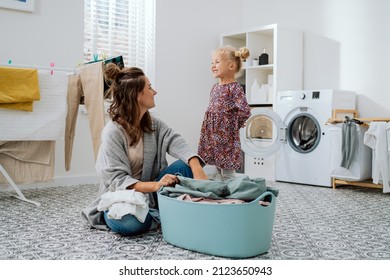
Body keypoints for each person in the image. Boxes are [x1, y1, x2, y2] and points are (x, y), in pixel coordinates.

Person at [82, 63, 208, 236]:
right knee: (127, 223)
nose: (154, 92)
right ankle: (165, 214)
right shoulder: (112, 133)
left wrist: (196, 166)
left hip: (152, 193)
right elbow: (118, 181)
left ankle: (158, 213)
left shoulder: (153, 124)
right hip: (122, 197)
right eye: (149, 87)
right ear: (136, 95)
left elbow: (174, 140)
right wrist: (158, 185)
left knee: (186, 166)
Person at [198, 46, 251, 180]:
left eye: (217, 62)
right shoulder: (215, 87)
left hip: (226, 134)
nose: (213, 66)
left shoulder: (234, 88)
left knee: (227, 167)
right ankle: (218, 187)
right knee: (215, 163)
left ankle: (230, 188)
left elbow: (244, 110)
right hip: (211, 133)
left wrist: (233, 125)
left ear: (231, 65)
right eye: (212, 63)